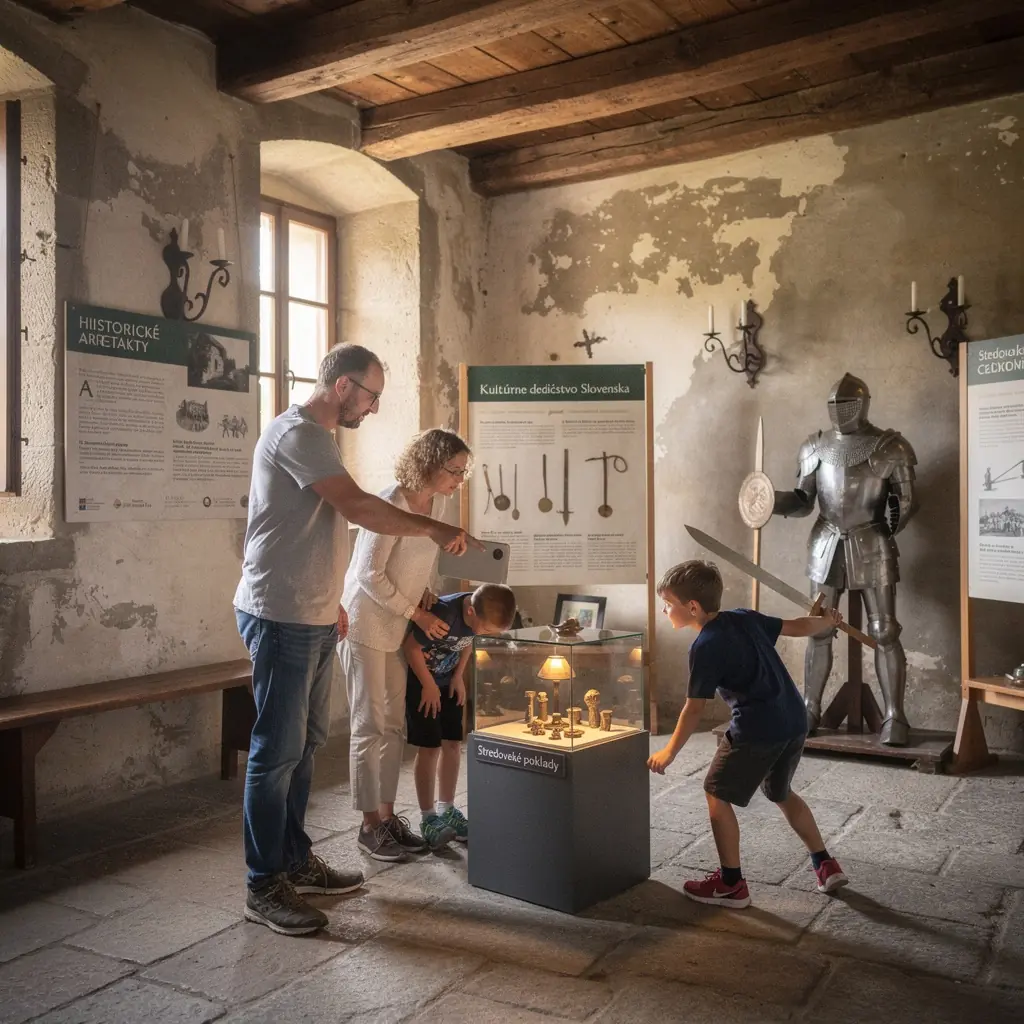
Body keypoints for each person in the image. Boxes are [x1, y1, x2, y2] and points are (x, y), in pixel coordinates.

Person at [233, 343, 477, 937]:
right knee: (275, 751)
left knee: (307, 741)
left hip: (315, 614)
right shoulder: (297, 433)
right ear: (342, 385)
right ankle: (264, 885)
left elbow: (320, 528)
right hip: (279, 612)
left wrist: (332, 605)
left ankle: (295, 861)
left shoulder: (323, 440)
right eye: (370, 395)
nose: (372, 407)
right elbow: (358, 509)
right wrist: (434, 526)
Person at [647, 560, 849, 908]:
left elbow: (693, 709)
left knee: (715, 791)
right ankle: (825, 864)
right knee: (780, 791)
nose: (664, 609)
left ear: (692, 607)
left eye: (668, 602)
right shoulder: (743, 616)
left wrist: (669, 752)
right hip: (794, 721)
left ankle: (731, 884)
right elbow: (798, 626)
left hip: (758, 728)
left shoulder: (705, 646)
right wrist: (827, 621)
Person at [341, 428, 474, 862]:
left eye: (463, 471)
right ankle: (367, 826)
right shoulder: (391, 504)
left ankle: (387, 816)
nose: (459, 479)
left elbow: (414, 566)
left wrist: (426, 594)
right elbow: (368, 574)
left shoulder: (433, 505)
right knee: (369, 725)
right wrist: (416, 612)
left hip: (397, 625)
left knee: (395, 724)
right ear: (431, 465)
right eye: (454, 470)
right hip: (365, 624)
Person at [404, 584, 518, 847]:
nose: (486, 634)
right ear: (470, 610)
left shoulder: (475, 617)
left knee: (453, 744)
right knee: (430, 748)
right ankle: (428, 816)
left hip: (448, 683)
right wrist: (429, 685)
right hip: (424, 686)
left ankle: (447, 808)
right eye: (487, 629)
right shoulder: (444, 614)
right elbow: (411, 648)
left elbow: (469, 641)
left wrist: (458, 676)